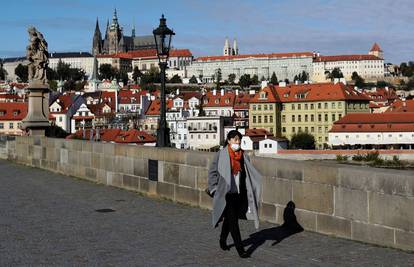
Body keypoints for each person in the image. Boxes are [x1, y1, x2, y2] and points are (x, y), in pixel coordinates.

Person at [207, 130, 262, 258]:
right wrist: (214, 188)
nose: (238, 142)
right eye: (235, 139)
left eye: (239, 140)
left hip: (238, 193)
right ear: (229, 140)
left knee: (230, 219)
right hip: (226, 194)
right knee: (233, 222)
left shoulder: (243, 156)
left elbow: (248, 174)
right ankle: (240, 249)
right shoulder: (221, 155)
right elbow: (212, 172)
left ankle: (222, 239)